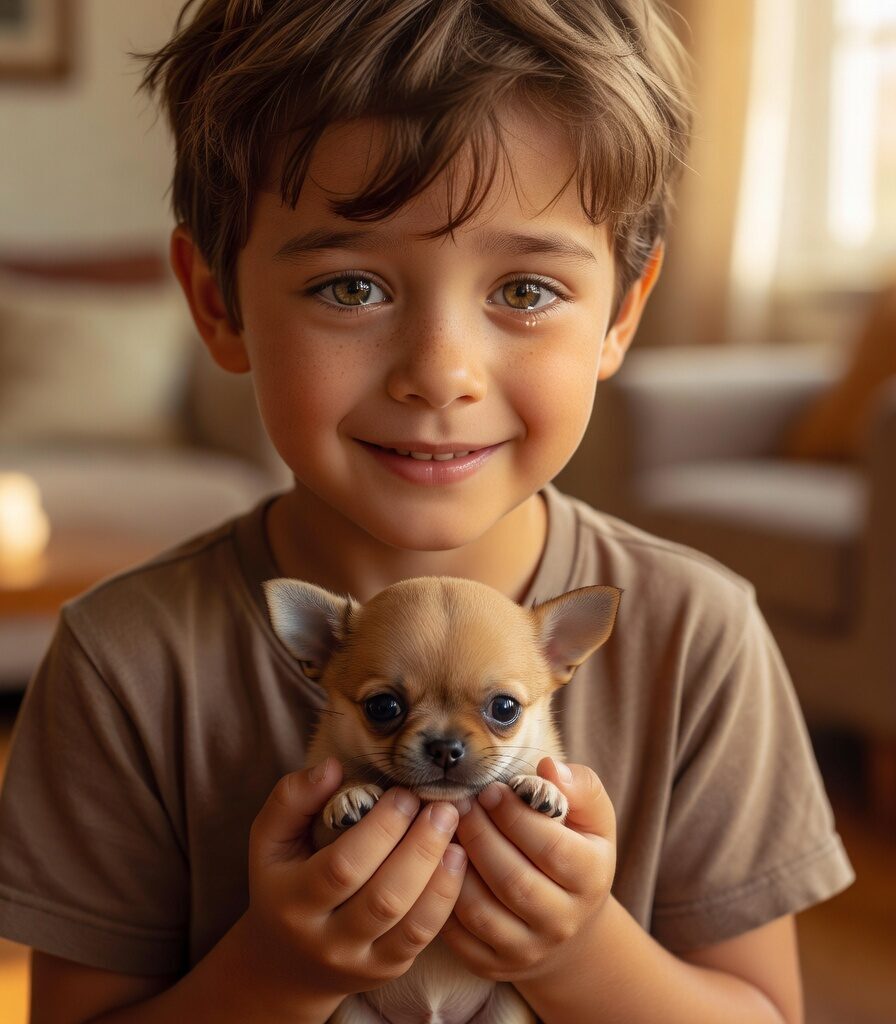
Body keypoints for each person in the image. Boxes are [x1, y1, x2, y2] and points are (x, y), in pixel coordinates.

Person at [0, 2, 853, 1022]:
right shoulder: (121, 657)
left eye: (526, 288)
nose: (439, 372)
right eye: (351, 286)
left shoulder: (696, 635)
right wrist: (280, 968)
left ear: (621, 312)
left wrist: (578, 951)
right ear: (218, 303)